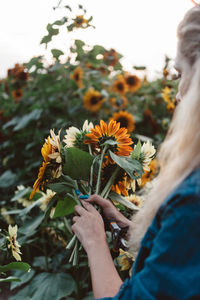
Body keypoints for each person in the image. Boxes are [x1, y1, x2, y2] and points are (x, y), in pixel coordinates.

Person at [71, 6, 200, 300]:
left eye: (181, 73)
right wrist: (126, 229)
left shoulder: (193, 199)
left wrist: (95, 243)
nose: (178, 94)